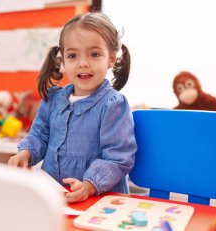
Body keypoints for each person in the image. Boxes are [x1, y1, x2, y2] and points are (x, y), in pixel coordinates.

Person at [8, 12, 137, 203]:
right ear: (63, 61)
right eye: (72, 55)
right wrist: (24, 154)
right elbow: (39, 135)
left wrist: (89, 185)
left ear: (111, 59)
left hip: (99, 199)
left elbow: (118, 157)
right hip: (56, 197)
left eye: (94, 54)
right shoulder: (52, 99)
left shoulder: (113, 105)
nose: (83, 63)